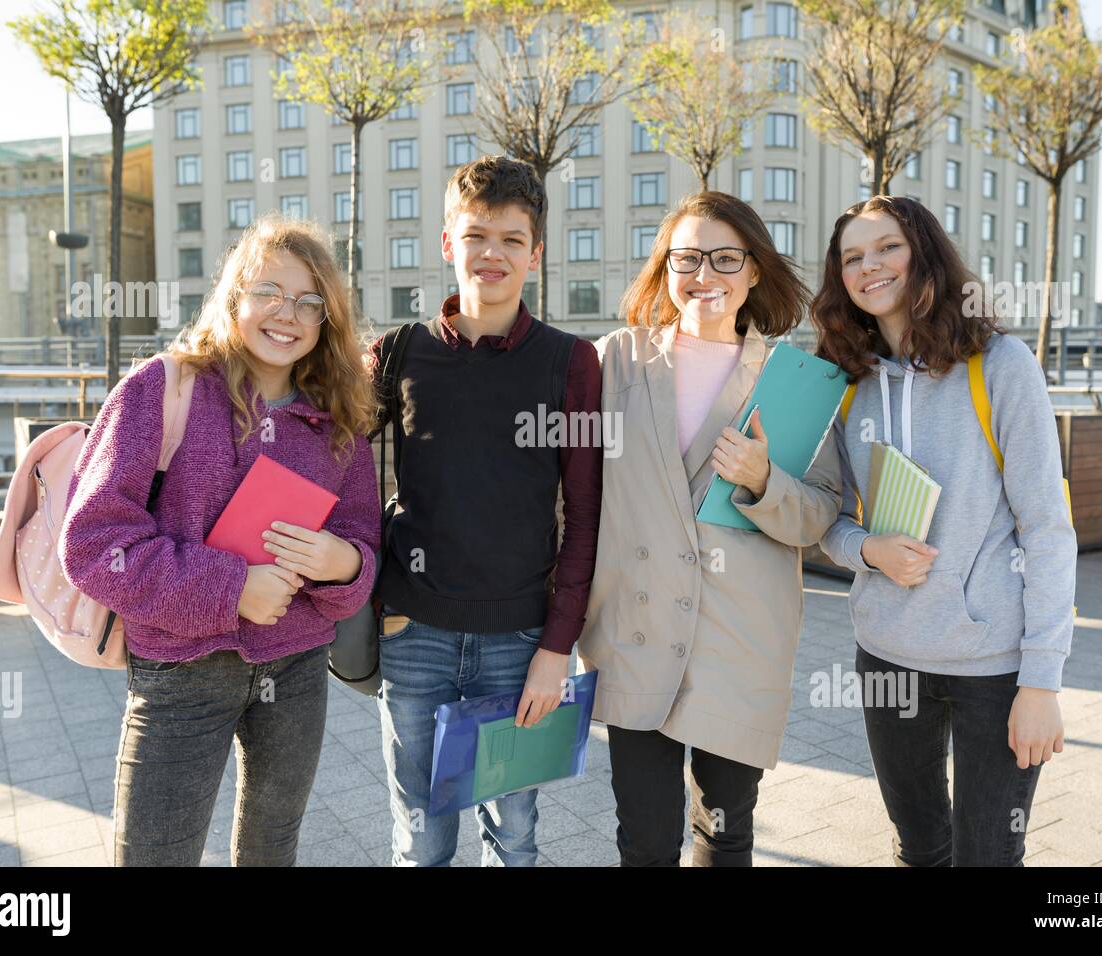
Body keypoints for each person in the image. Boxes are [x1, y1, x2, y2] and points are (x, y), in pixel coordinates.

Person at [60, 214, 380, 866]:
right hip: (181, 670)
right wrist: (232, 588)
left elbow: (362, 542)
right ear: (233, 295)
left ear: (327, 321)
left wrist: (341, 563)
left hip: (295, 668)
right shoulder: (162, 388)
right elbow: (94, 542)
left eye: (309, 301)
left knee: (271, 847)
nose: (286, 314)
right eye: (269, 291)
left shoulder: (338, 420)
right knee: (155, 854)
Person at [580, 190, 842, 866]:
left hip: (739, 641)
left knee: (725, 835)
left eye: (726, 258)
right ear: (664, 268)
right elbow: (561, 487)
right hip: (636, 635)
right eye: (687, 257)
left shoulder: (796, 381)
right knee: (644, 839)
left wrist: (764, 481)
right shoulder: (615, 363)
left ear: (755, 271)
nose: (705, 275)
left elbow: (819, 513)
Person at [815, 195, 1077, 866]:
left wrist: (1042, 683)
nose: (869, 266)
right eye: (852, 257)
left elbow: (1047, 527)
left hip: (993, 667)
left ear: (924, 253)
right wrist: (868, 550)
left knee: (988, 856)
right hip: (887, 655)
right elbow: (829, 524)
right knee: (919, 850)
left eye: (886, 248)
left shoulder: (1002, 366)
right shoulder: (847, 385)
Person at [365, 155, 603, 866]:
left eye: (510, 238)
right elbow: (332, 458)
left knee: (515, 838)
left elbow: (586, 514)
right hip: (414, 636)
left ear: (536, 251)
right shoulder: (397, 353)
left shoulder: (573, 362)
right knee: (421, 840)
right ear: (447, 243)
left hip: (520, 643)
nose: (491, 253)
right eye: (475, 235)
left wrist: (556, 649)